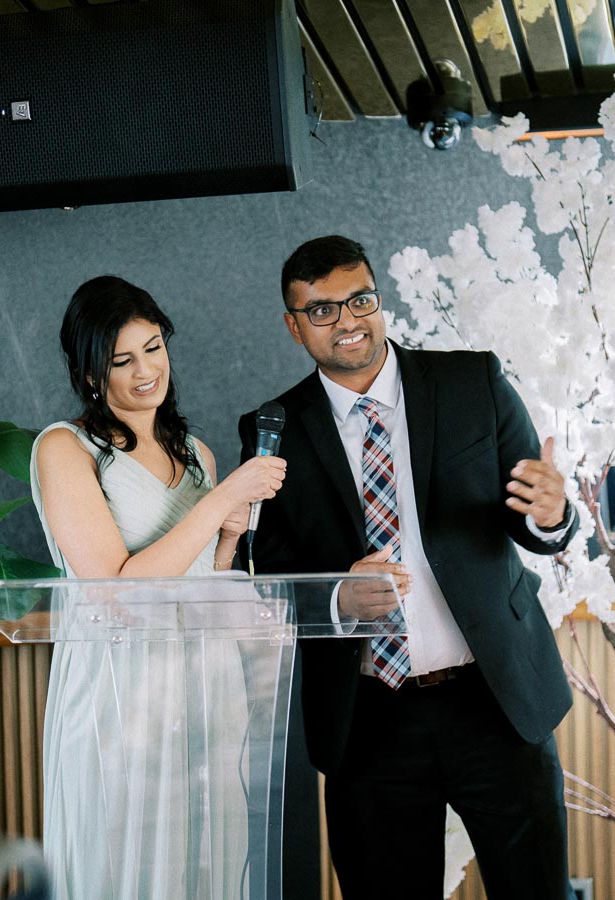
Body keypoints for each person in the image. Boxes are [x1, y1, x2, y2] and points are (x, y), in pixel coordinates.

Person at [239, 236, 580, 899]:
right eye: (322, 310)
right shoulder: (272, 427)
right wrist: (338, 597)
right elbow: (269, 577)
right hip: (368, 720)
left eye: (360, 299)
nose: (348, 321)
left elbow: (531, 514)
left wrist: (550, 512)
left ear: (378, 299)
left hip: (496, 700)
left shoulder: (469, 381)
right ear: (293, 325)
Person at [30, 275, 286, 900]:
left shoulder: (197, 453)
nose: (146, 370)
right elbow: (113, 587)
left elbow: (209, 580)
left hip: (204, 679)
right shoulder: (65, 449)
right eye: (123, 360)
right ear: (91, 374)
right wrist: (223, 498)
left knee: (207, 863)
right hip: (119, 688)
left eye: (155, 347)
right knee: (123, 865)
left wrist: (228, 538)